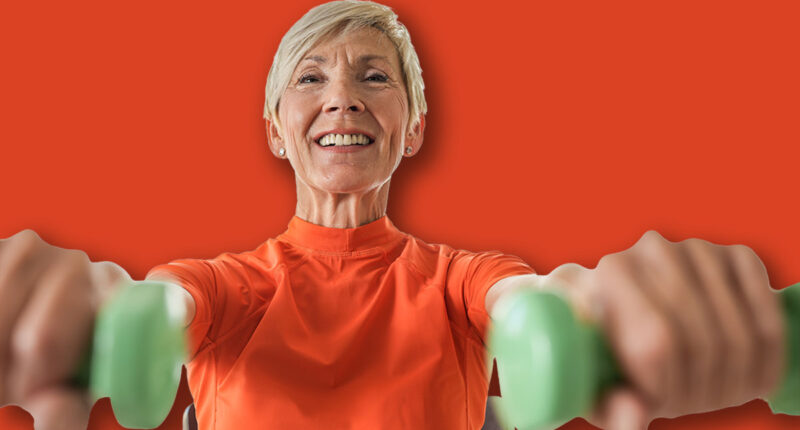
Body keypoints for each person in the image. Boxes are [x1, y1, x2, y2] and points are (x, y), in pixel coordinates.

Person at [0, 1, 786, 429]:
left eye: (374, 76)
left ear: (412, 127)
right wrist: (101, 320)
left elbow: (534, 304)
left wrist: (607, 317)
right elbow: (163, 308)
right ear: (274, 129)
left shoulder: (460, 281)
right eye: (311, 78)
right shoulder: (227, 285)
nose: (342, 96)